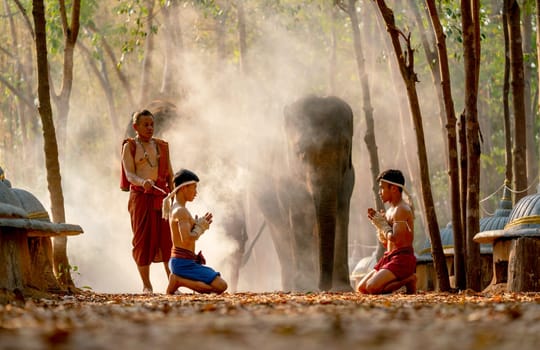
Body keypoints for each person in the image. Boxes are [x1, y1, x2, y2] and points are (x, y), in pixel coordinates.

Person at [122, 109, 174, 294]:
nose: (150, 128)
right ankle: (147, 285)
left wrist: (173, 194)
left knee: (167, 241)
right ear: (136, 127)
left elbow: (169, 173)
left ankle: (172, 285)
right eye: (145, 125)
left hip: (161, 197)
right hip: (140, 198)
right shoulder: (130, 147)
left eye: (152, 124)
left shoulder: (161, 146)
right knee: (141, 242)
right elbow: (129, 174)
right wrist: (142, 182)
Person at [163, 169, 227, 295]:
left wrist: (198, 225)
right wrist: (200, 228)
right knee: (221, 286)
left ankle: (178, 280)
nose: (196, 192)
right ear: (184, 188)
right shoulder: (181, 211)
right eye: (194, 187)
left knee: (214, 288)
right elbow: (186, 239)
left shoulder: (178, 209)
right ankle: (177, 280)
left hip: (184, 262)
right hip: (183, 263)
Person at [357, 169, 417, 294]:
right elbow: (388, 243)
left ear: (394, 189)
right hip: (389, 257)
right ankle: (399, 282)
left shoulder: (402, 209)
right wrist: (378, 224)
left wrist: (383, 226)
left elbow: (397, 240)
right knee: (361, 288)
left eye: (382, 188)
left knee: (371, 288)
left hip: (402, 259)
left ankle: (409, 279)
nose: (380, 192)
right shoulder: (390, 210)